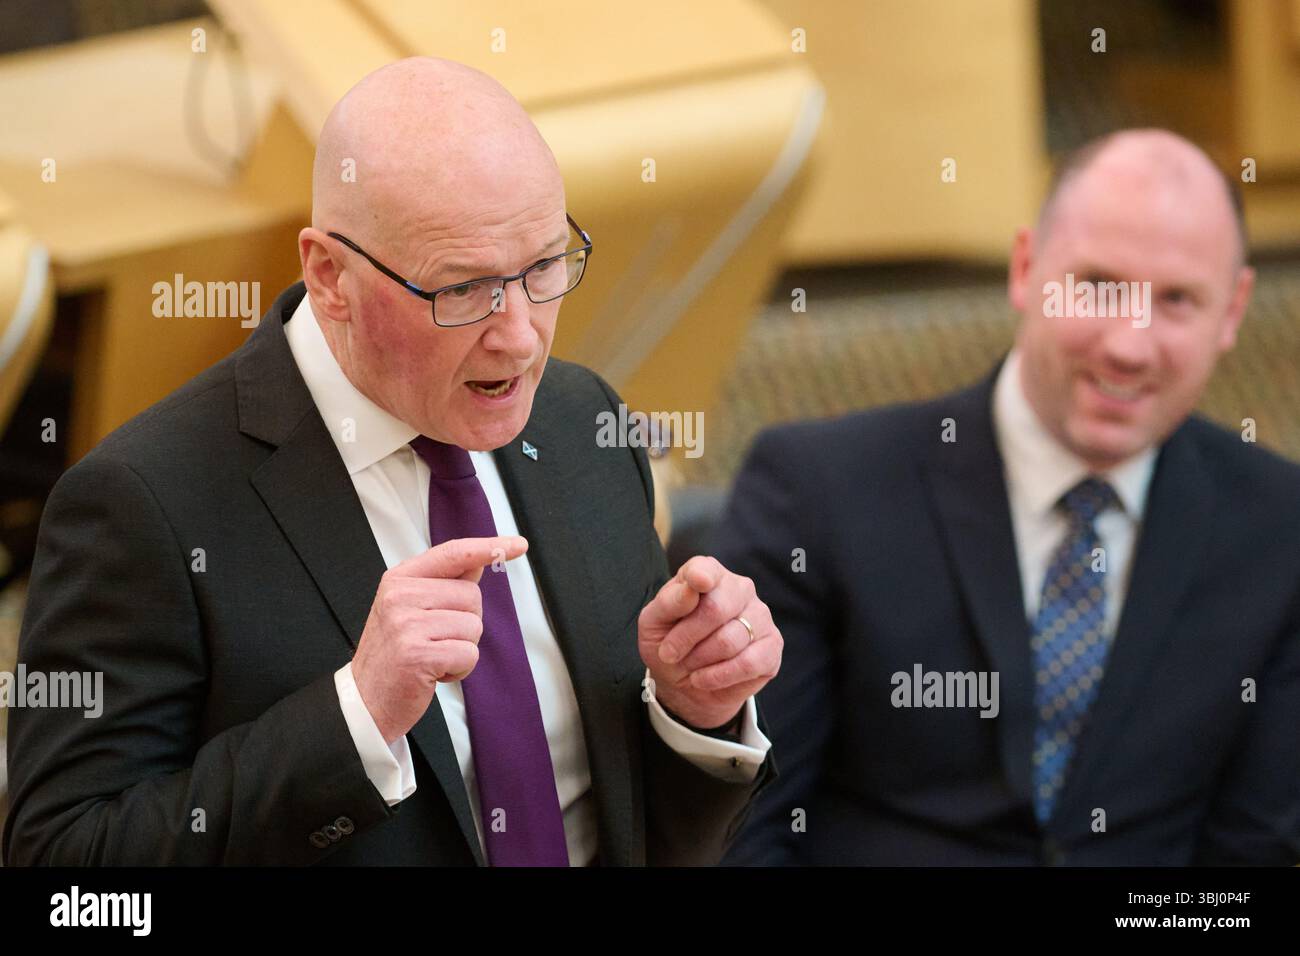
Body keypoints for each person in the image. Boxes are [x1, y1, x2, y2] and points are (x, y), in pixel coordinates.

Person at [3, 57, 784, 866]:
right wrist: (353, 720)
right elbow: (68, 876)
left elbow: (632, 825)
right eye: (464, 288)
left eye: (545, 266)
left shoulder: (585, 421)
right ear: (329, 275)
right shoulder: (144, 502)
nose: (519, 335)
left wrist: (693, 715)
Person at [717, 129, 1300, 865]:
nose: (1130, 344)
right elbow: (743, 830)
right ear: (1027, 269)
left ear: (1234, 311)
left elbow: (1248, 864)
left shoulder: (1280, 529)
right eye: (1097, 286)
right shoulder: (817, 491)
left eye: (1178, 300)